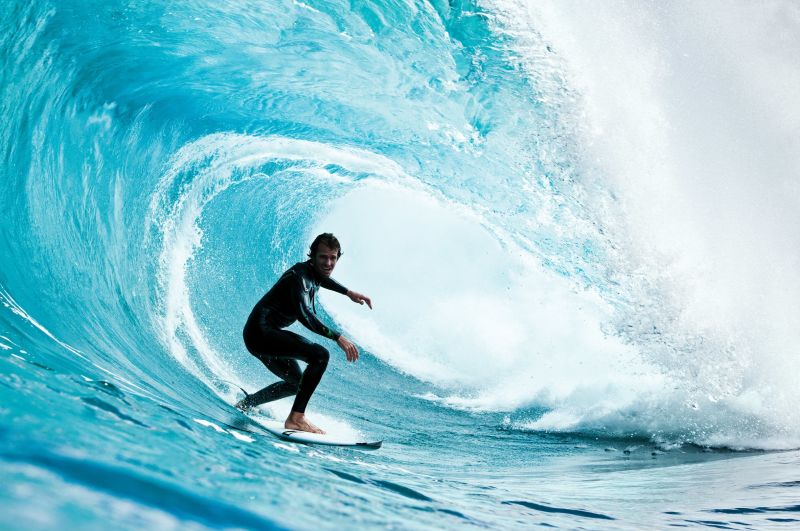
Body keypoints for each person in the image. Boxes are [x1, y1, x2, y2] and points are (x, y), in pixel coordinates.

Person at [236, 233, 372, 434]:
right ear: (313, 256)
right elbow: (305, 315)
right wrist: (337, 337)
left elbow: (322, 279)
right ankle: (296, 418)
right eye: (323, 257)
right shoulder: (299, 278)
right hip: (261, 333)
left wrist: (348, 292)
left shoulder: (312, 273)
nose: (328, 263)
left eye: (333, 258)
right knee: (320, 355)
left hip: (261, 334)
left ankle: (247, 403)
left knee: (296, 384)